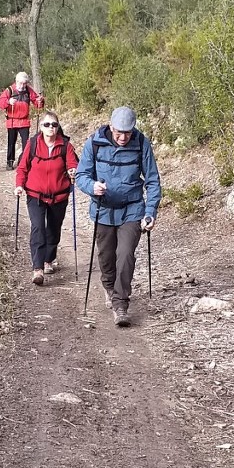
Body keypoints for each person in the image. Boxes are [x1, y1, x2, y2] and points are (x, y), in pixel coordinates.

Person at [75, 106, 161, 327]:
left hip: (132, 209)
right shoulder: (94, 143)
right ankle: (109, 287)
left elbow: (152, 181)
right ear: (111, 126)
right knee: (106, 257)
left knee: (125, 254)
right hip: (103, 209)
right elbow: (81, 175)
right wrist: (92, 186)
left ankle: (121, 303)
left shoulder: (141, 143)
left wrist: (150, 212)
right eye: (119, 133)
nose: (123, 137)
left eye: (128, 133)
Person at [14, 112, 80, 286]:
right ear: (41, 127)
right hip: (35, 195)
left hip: (59, 196)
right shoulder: (33, 144)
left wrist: (73, 170)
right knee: (38, 228)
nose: (51, 128)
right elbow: (22, 167)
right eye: (47, 124)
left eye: (54, 125)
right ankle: (38, 269)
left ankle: (49, 259)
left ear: (58, 127)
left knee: (53, 228)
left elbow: (73, 164)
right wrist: (19, 185)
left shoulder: (66, 145)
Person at [0, 72, 43, 171]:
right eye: (21, 83)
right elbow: (0, 103)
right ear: (16, 81)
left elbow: (37, 103)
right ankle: (10, 162)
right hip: (12, 120)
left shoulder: (28, 90)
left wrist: (40, 101)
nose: (23, 85)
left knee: (26, 143)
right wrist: (8, 102)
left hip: (24, 121)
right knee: (11, 142)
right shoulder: (10, 90)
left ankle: (24, 161)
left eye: (25, 83)